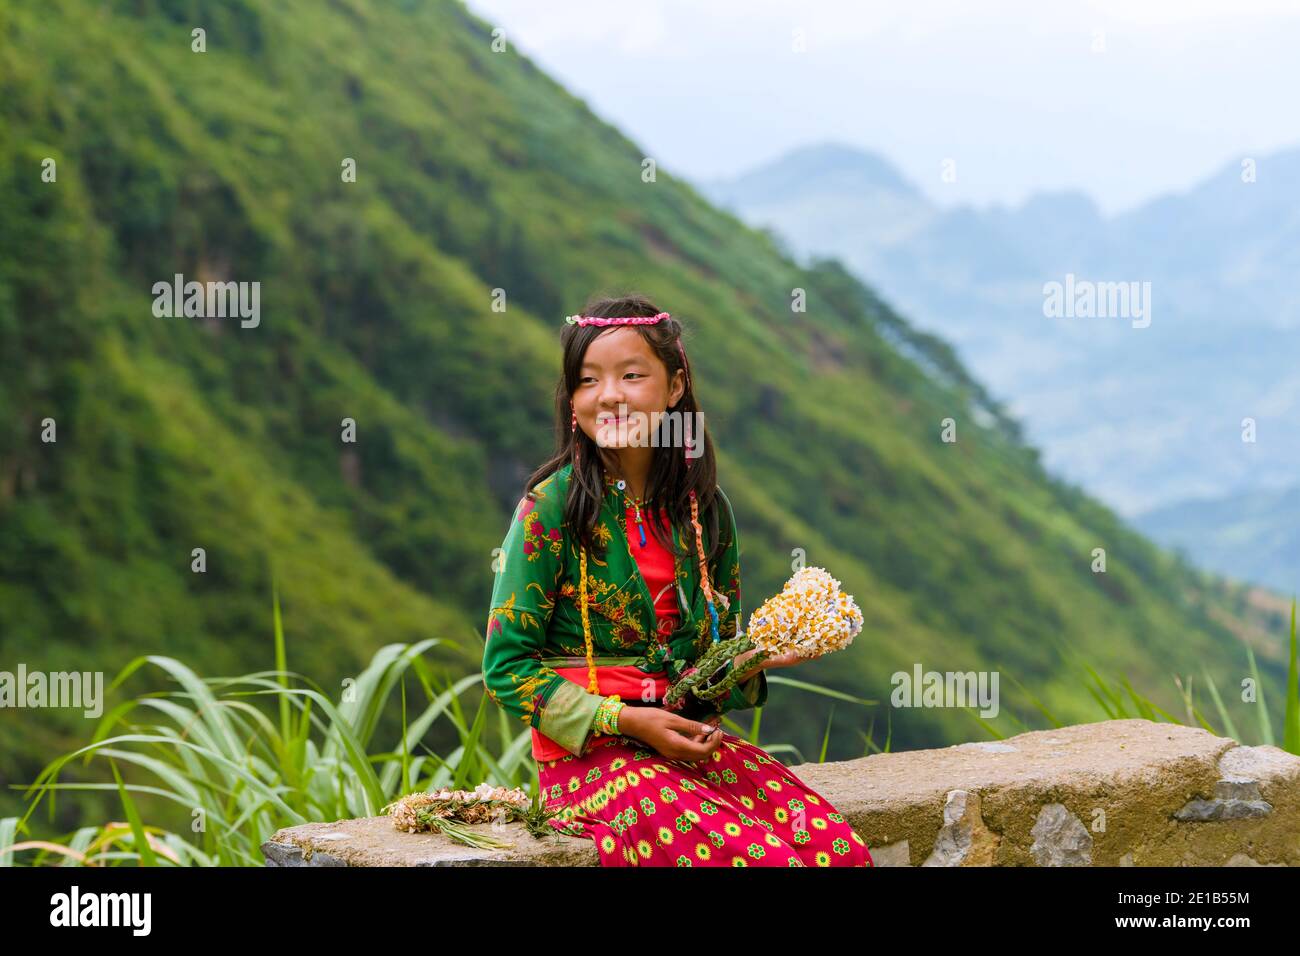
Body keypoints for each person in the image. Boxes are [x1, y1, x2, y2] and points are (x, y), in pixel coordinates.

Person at [482, 293, 874, 867]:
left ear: (674, 387)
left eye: (631, 375)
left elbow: (702, 677)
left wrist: (755, 658)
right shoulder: (550, 510)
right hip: (591, 762)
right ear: (572, 400)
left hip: (684, 748)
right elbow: (505, 667)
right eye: (588, 381)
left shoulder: (705, 513)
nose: (609, 395)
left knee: (839, 853)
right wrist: (626, 719)